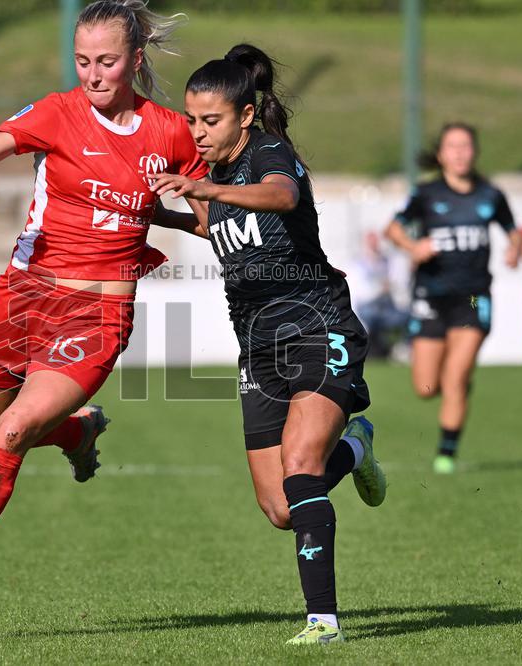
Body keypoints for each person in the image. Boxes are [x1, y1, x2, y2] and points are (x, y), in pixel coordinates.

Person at [0, 0, 208, 607]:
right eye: (82, 62)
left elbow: (212, 216)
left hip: (98, 314)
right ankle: (76, 434)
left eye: (106, 61)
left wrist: (198, 199)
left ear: (135, 60)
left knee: (14, 430)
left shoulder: (171, 131)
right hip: (22, 298)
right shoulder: (56, 111)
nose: (93, 75)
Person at [150, 44, 387, 646]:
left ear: (245, 117)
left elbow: (281, 197)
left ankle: (324, 622)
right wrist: (157, 215)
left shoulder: (270, 155)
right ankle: (356, 448)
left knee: (301, 467)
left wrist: (203, 190)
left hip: (317, 326)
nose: (198, 134)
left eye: (212, 121)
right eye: (192, 121)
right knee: (282, 508)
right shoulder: (218, 176)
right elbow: (213, 226)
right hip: (257, 347)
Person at [383, 123, 521, 474]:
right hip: (431, 296)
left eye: (465, 146)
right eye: (452, 146)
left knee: (456, 378)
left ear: (474, 152)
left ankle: (446, 453)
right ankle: (456, 385)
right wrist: (414, 246)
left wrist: (514, 251)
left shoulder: (490, 195)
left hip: (473, 299)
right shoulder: (426, 193)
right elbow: (393, 229)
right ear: (441, 154)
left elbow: (514, 232)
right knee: (427, 387)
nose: (459, 152)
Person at [349, 231, 409, 359]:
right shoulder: (357, 265)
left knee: (409, 316)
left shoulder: (389, 262)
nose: (374, 244)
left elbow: (400, 284)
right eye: (371, 241)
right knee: (370, 315)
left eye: (376, 241)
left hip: (387, 309)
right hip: (367, 310)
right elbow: (359, 294)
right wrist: (379, 289)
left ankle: (402, 349)